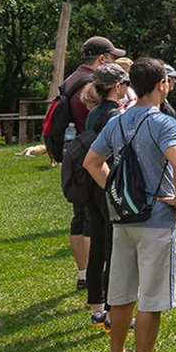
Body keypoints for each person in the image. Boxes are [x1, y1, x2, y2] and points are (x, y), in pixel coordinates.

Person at [83, 58, 176, 352]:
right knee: (152, 298)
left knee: (121, 291)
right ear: (161, 84)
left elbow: (92, 162)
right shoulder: (163, 123)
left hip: (123, 219)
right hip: (156, 220)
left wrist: (116, 194)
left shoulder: (115, 121)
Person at [63, 36, 126, 292]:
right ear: (102, 59)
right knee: (105, 237)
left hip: (80, 164)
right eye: (111, 56)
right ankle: (103, 288)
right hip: (101, 171)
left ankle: (87, 278)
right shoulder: (105, 106)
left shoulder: (71, 82)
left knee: (84, 223)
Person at [80, 63, 128, 328]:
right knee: (114, 249)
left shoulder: (93, 112)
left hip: (91, 184)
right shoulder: (114, 116)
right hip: (107, 183)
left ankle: (97, 307)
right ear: (117, 87)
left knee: (98, 246)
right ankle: (112, 311)